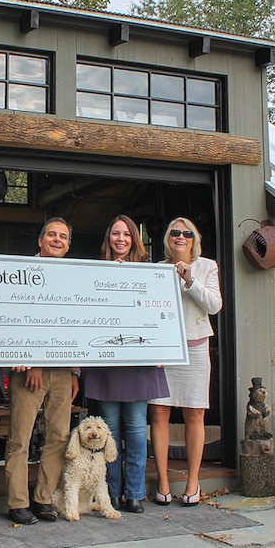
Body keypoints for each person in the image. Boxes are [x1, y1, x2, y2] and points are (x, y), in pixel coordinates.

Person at [83, 215, 169, 513]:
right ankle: (113, 493)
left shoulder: (151, 272)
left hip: (139, 362)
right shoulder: (93, 272)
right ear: (108, 239)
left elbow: (162, 311)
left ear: (135, 239)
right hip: (107, 363)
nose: (121, 239)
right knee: (110, 433)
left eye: (126, 235)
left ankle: (134, 492)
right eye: (115, 234)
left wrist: (163, 348)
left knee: (134, 430)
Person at [5, 218, 80, 525]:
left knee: (59, 437)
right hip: (29, 371)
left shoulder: (75, 276)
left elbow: (78, 321)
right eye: (52, 234)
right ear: (40, 240)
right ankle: (17, 502)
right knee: (20, 438)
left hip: (63, 371)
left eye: (63, 236)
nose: (57, 240)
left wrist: (75, 371)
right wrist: (34, 360)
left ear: (68, 244)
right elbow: (18, 315)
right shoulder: (22, 272)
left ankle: (43, 499)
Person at [149, 217, 222, 506]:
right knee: (159, 413)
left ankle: (193, 481)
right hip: (164, 350)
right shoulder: (156, 270)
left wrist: (189, 280)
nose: (181, 237)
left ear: (195, 239)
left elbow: (215, 305)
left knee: (195, 413)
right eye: (175, 232)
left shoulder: (207, 266)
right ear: (168, 238)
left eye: (187, 233)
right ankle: (163, 480)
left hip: (195, 348)